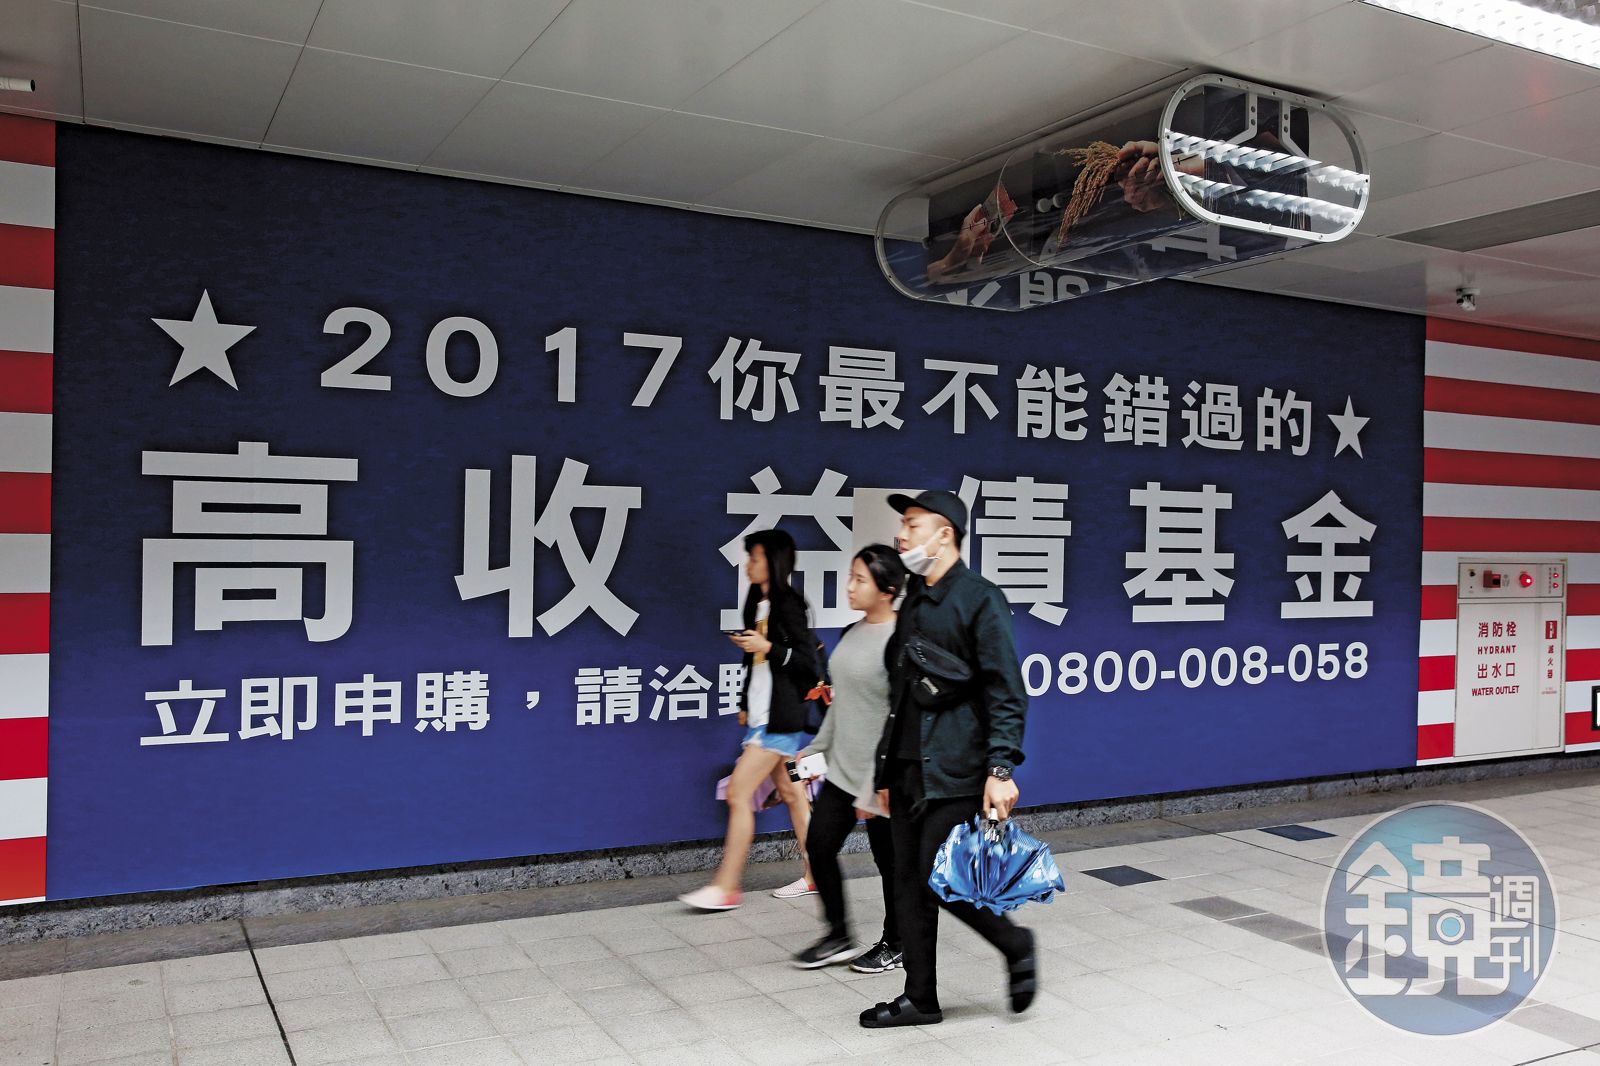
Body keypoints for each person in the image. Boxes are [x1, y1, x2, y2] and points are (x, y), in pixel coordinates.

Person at [859, 490, 1034, 1029]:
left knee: (937, 875)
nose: (902, 535)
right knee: (908, 883)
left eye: (913, 524)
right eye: (903, 524)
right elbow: (901, 691)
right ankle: (920, 998)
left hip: (956, 766)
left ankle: (1014, 942)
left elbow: (1006, 690)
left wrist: (1000, 769)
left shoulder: (979, 598)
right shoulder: (915, 599)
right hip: (907, 767)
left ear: (945, 534)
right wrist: (885, 770)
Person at [679, 529, 820, 911]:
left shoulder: (790, 604)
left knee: (739, 794)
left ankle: (727, 887)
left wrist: (767, 647)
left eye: (755, 558)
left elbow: (807, 664)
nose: (748, 565)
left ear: (773, 561)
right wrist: (744, 698)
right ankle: (817, 874)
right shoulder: (757, 603)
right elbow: (752, 661)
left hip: (781, 721)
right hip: (762, 716)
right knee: (792, 793)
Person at [789, 545, 906, 973]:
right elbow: (843, 705)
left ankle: (897, 942)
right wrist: (816, 749)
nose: (850, 586)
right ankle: (838, 934)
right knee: (819, 845)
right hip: (843, 767)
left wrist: (882, 779)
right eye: (850, 577)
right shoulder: (851, 631)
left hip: (884, 773)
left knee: (889, 862)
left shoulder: (902, 640)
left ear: (887, 589)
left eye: (860, 579)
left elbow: (902, 715)